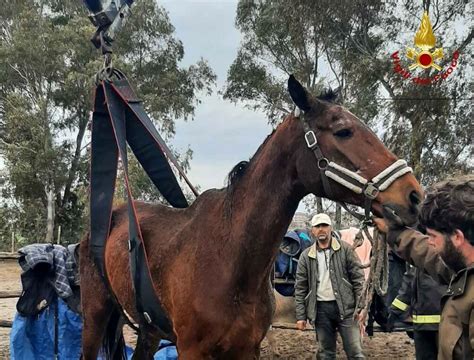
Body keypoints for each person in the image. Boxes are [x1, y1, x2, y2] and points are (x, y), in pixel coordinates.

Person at [375, 174, 473, 359]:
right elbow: (431, 258)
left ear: (457, 238)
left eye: (432, 236)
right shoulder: (463, 271)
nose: (429, 243)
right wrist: (395, 233)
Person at [295, 213, 366, 359]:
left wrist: (361, 308)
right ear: (312, 231)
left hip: (347, 309)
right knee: (326, 354)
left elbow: (359, 280)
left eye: (324, 225)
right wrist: (301, 316)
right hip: (320, 311)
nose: (321, 229)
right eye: (317, 226)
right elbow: (300, 288)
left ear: (330, 228)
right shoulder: (306, 256)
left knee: (355, 353)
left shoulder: (345, 250)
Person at [389, 265, 447, 360]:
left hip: (424, 324)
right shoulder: (454, 258)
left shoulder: (420, 260)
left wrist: (394, 312)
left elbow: (408, 289)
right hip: (449, 323)